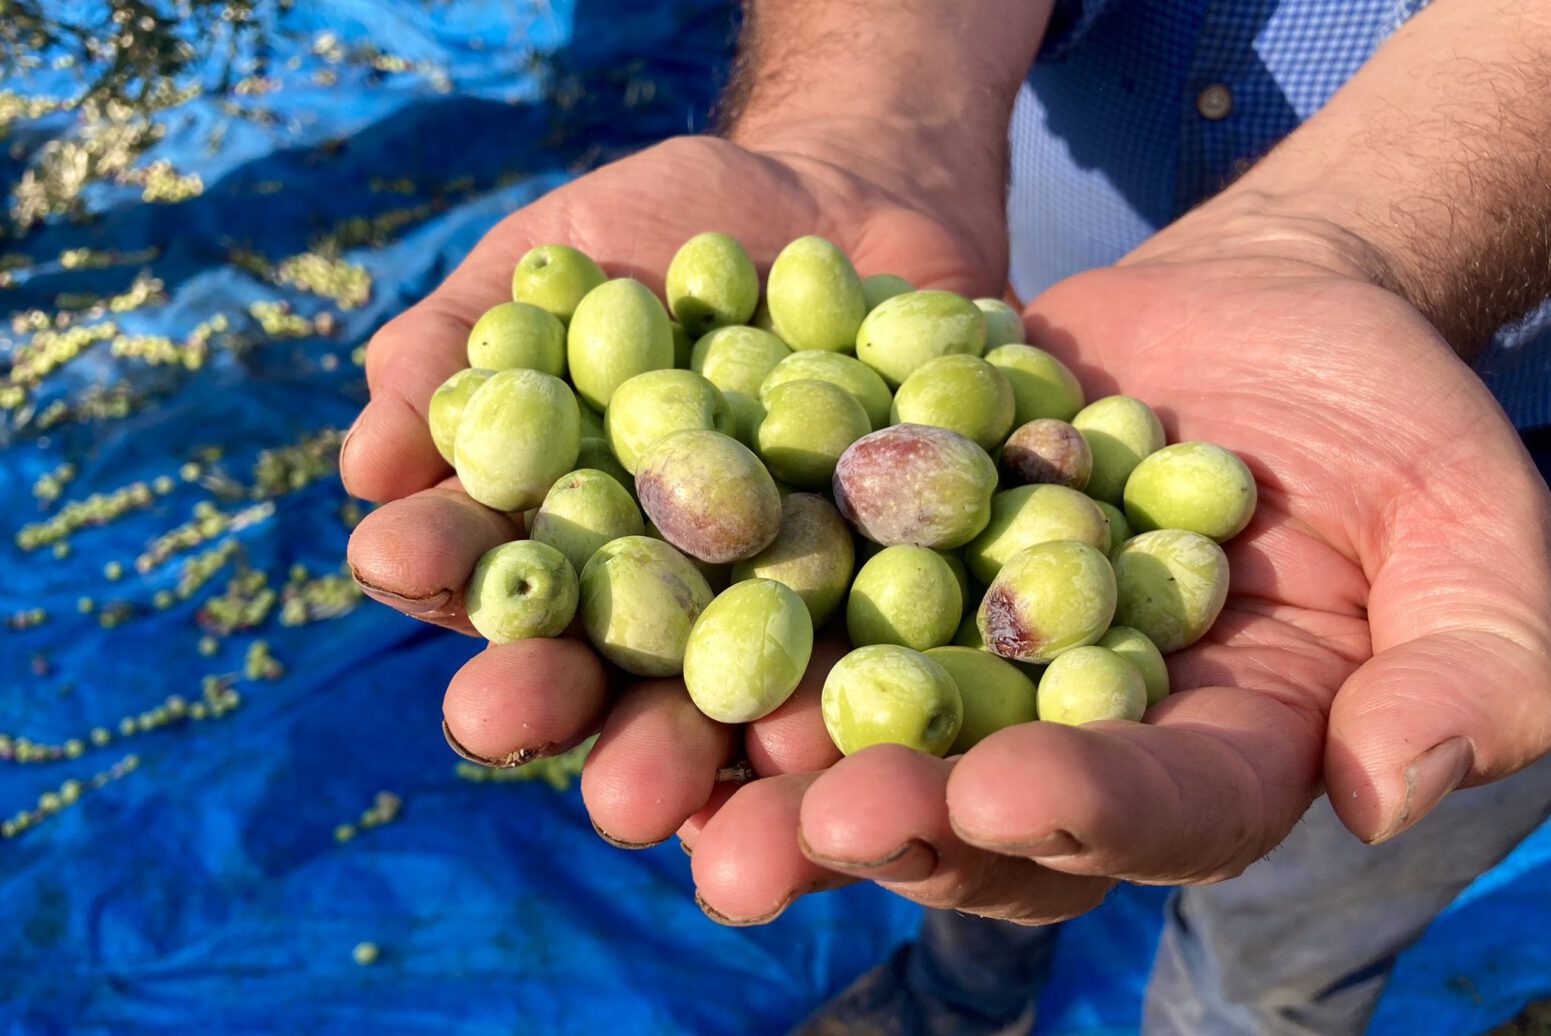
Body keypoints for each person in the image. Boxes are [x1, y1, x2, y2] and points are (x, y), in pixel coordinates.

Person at [339, 0, 1551, 1031]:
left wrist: (1349, 244)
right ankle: (963, 1000)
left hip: (1458, 462)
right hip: (1044, 297)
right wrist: (855, 122)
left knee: (1294, 926)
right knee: (960, 819)